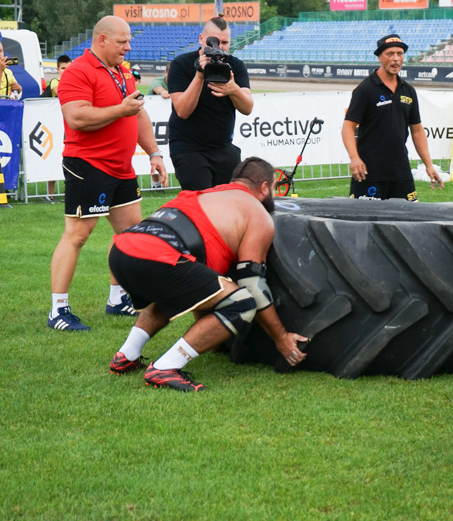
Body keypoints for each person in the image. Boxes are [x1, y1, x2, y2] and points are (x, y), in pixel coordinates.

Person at [108, 157, 308, 392]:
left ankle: (126, 355)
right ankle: (166, 367)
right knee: (243, 302)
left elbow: (201, 285)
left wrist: (209, 333)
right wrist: (281, 338)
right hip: (159, 257)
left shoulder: (207, 194)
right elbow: (253, 283)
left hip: (122, 251)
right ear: (264, 187)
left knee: (172, 289)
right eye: (273, 188)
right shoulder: (258, 214)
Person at [47, 15, 168, 332]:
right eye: (122, 41)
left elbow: (138, 113)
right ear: (101, 40)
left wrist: (153, 153)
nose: (128, 47)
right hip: (89, 165)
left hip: (122, 167)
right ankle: (58, 310)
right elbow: (77, 118)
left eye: (128, 41)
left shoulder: (122, 72)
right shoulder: (77, 71)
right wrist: (121, 110)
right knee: (77, 236)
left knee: (131, 235)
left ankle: (118, 299)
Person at [342, 34, 443, 201]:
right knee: (367, 223)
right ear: (380, 57)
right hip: (369, 171)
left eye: (400, 53)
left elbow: (417, 130)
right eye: (390, 54)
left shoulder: (408, 90)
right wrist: (354, 158)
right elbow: (348, 127)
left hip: (401, 171)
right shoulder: (365, 90)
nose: (396, 59)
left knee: (408, 221)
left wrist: (429, 165)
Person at [167, 16, 253, 190]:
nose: (219, 48)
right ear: (201, 39)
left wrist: (233, 89)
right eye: (213, 42)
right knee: (202, 203)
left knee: (229, 203)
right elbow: (182, 111)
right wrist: (199, 75)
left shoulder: (235, 66)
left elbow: (247, 108)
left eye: (225, 42)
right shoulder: (181, 64)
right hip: (189, 148)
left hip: (223, 147)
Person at [40, 54, 72, 201]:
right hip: (54, 126)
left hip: (70, 126)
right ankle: (50, 194)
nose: (66, 71)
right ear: (58, 69)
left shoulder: (75, 82)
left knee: (69, 160)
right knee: (53, 157)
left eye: (69, 68)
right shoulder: (55, 81)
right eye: (63, 68)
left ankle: (69, 192)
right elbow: (59, 93)